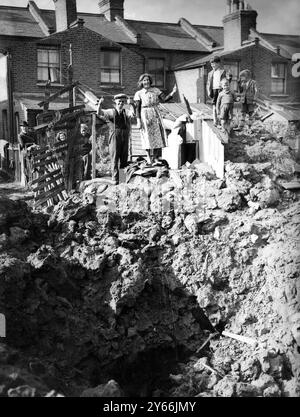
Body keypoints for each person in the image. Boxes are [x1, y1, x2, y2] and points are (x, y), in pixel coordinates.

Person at [134, 73, 177, 163]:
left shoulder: (156, 90)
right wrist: (138, 121)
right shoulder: (139, 93)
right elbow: (137, 108)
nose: (146, 82)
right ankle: (149, 157)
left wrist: (172, 92)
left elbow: (164, 99)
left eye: (148, 80)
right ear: (141, 82)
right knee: (147, 137)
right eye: (144, 80)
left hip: (155, 113)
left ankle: (156, 157)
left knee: (158, 136)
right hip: (145, 115)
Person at [97, 94, 135, 185]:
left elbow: (133, 115)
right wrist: (100, 104)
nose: (121, 103)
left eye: (122, 102)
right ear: (115, 102)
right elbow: (99, 113)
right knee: (114, 157)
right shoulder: (111, 111)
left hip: (125, 136)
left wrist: (132, 105)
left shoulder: (126, 111)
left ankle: (122, 179)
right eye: (119, 102)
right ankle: (115, 179)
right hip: (115, 136)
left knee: (124, 158)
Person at [206, 56, 232, 127]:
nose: (212, 65)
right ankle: (215, 121)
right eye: (211, 64)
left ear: (218, 63)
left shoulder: (223, 71)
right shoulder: (210, 73)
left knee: (221, 105)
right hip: (214, 90)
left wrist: (229, 77)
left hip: (221, 90)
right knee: (214, 105)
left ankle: (221, 121)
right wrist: (208, 91)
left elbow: (227, 80)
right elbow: (208, 83)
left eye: (214, 64)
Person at [18, 121, 36, 185]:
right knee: (26, 167)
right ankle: (27, 183)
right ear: (21, 128)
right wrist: (31, 144)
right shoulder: (20, 135)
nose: (24, 128)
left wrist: (32, 145)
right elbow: (22, 145)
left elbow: (35, 141)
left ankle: (34, 167)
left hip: (32, 151)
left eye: (25, 127)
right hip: (25, 152)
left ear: (27, 127)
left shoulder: (30, 134)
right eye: (23, 127)